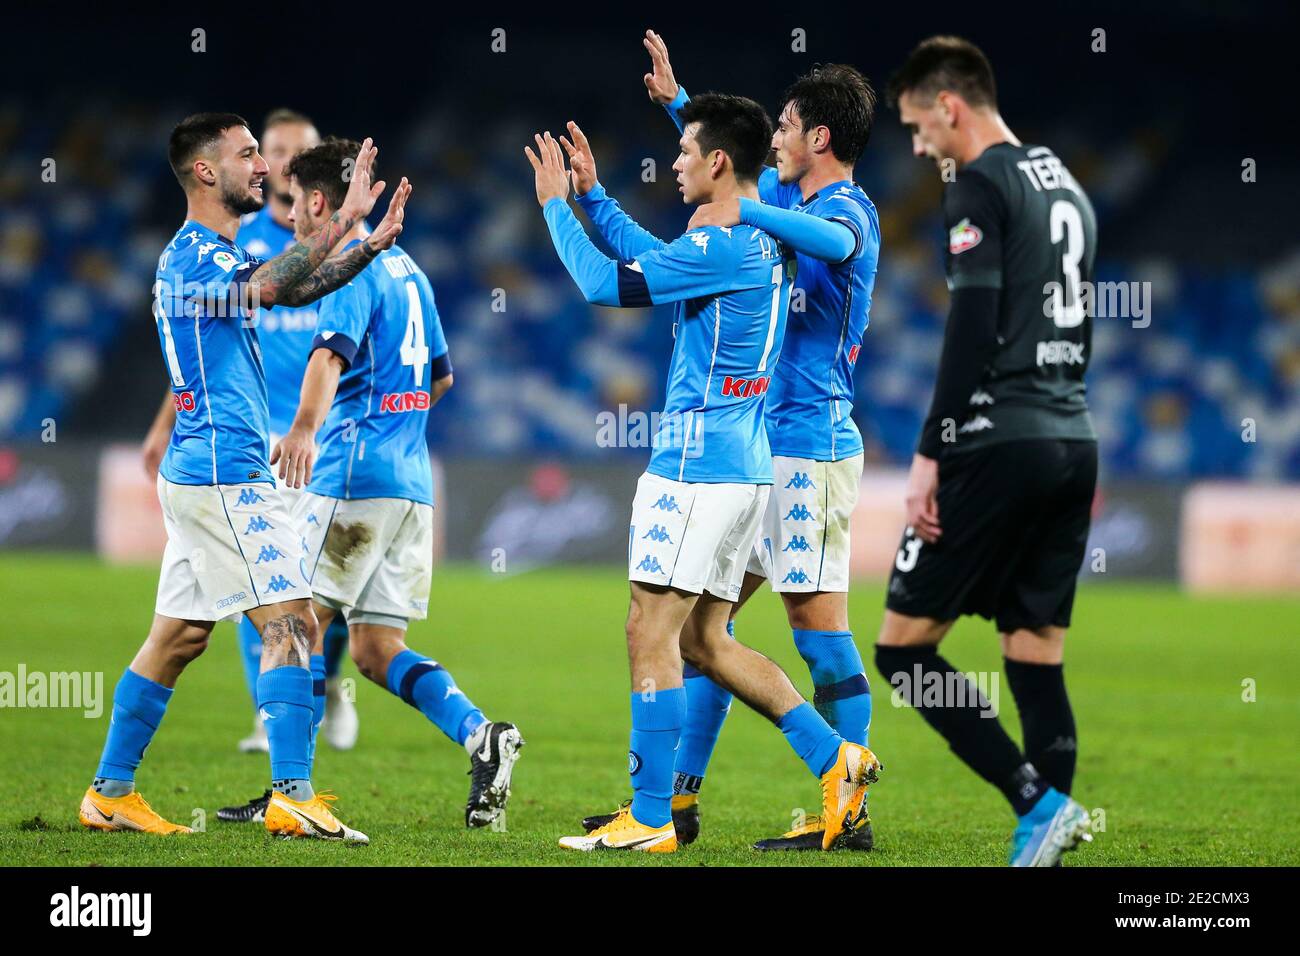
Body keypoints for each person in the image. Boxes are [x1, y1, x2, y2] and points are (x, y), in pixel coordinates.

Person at [526, 92, 881, 852]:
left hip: (738, 457)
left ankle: (668, 813)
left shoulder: (801, 222)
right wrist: (595, 197)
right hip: (754, 456)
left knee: (675, 629)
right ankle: (800, 768)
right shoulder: (759, 231)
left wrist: (559, 208)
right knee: (704, 640)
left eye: (687, 150)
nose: (675, 161)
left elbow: (613, 283)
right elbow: (663, 261)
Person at [80, 114, 406, 842]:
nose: (263, 166)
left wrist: (365, 248)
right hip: (224, 475)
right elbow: (275, 288)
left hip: (209, 470)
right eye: (248, 154)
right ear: (205, 171)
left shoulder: (209, 255)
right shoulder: (198, 256)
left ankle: (109, 794)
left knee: (177, 639)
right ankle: (293, 795)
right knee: (291, 620)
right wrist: (346, 216)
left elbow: (295, 286)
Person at [879, 36, 1097, 866]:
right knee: (1034, 653)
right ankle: (1053, 827)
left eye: (918, 127)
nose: (918, 146)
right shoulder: (1065, 181)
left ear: (951, 106)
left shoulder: (977, 184)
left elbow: (972, 323)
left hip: (998, 439)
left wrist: (931, 453)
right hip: (1072, 435)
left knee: (902, 650)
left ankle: (1033, 799)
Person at [274, 138, 524, 829]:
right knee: (377, 650)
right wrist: (393, 426)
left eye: (295, 202)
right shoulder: (410, 269)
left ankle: (289, 794)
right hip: (411, 482)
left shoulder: (350, 267)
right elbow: (441, 378)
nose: (291, 217)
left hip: (353, 476)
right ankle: (483, 738)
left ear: (319, 201)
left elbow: (329, 357)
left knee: (293, 625)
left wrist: (303, 429)